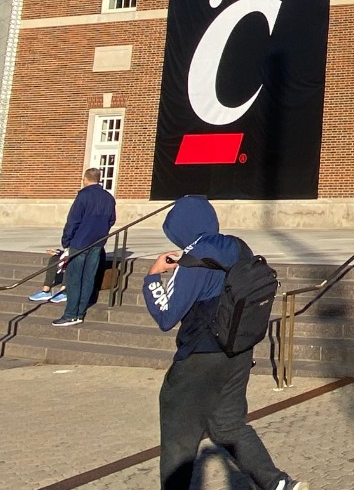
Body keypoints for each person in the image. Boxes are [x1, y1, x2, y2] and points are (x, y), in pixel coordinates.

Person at [144, 195, 306, 490]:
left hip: (199, 357)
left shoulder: (193, 259)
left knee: (178, 437)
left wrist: (153, 277)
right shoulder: (238, 247)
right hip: (238, 352)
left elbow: (166, 315)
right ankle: (278, 483)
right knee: (229, 425)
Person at [51, 167, 116, 327]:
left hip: (80, 242)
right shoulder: (108, 198)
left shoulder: (83, 196)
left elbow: (73, 221)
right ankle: (79, 312)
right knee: (88, 278)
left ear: (86, 179)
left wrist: (66, 241)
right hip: (97, 242)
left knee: (74, 279)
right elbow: (112, 220)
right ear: (99, 179)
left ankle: (71, 314)